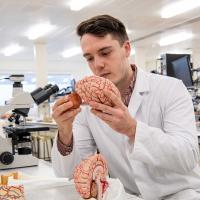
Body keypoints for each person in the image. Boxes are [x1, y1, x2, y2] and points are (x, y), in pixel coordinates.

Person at [51, 15, 200, 200]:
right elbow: (73, 173)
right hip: (127, 196)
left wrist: (132, 129)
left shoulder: (170, 89)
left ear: (126, 48)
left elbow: (188, 157)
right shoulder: (88, 106)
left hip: (180, 194)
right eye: (89, 58)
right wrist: (65, 132)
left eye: (105, 53)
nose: (97, 64)